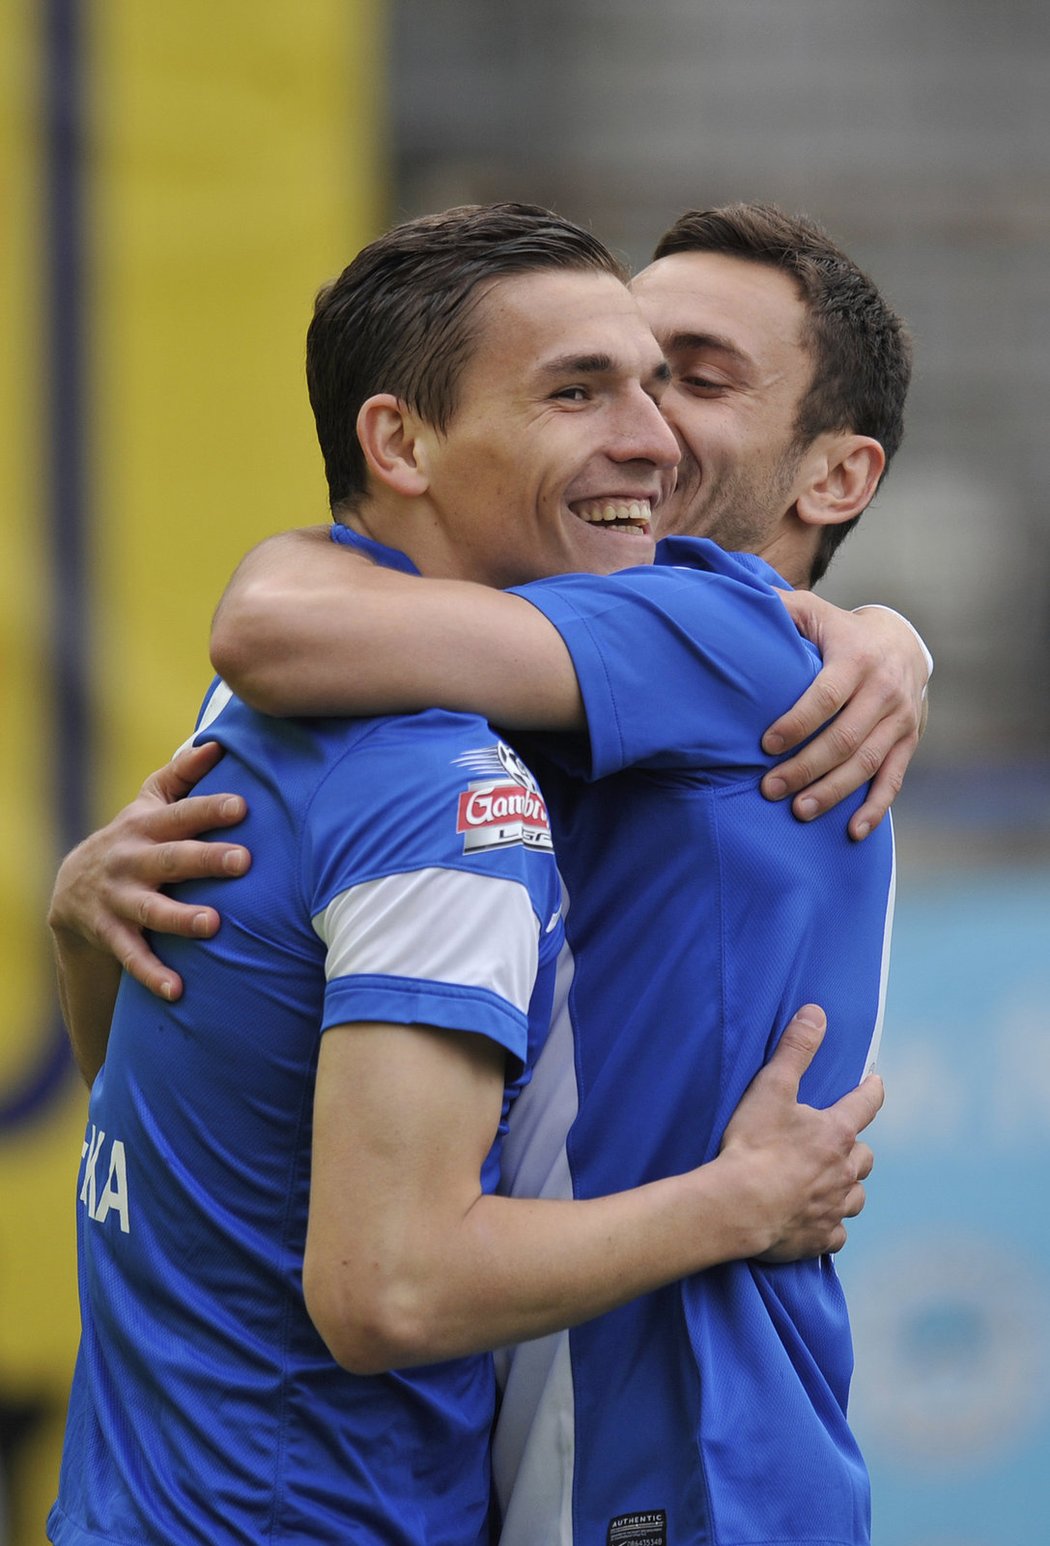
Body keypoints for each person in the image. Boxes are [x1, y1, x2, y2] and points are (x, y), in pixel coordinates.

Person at [47, 204, 886, 1546]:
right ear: (401, 438)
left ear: (834, 476)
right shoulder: (429, 748)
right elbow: (302, 1202)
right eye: (588, 383)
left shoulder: (710, 634)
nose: (652, 430)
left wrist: (885, 632)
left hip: (691, 1455)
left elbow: (273, 621)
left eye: (687, 379)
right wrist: (86, 918)